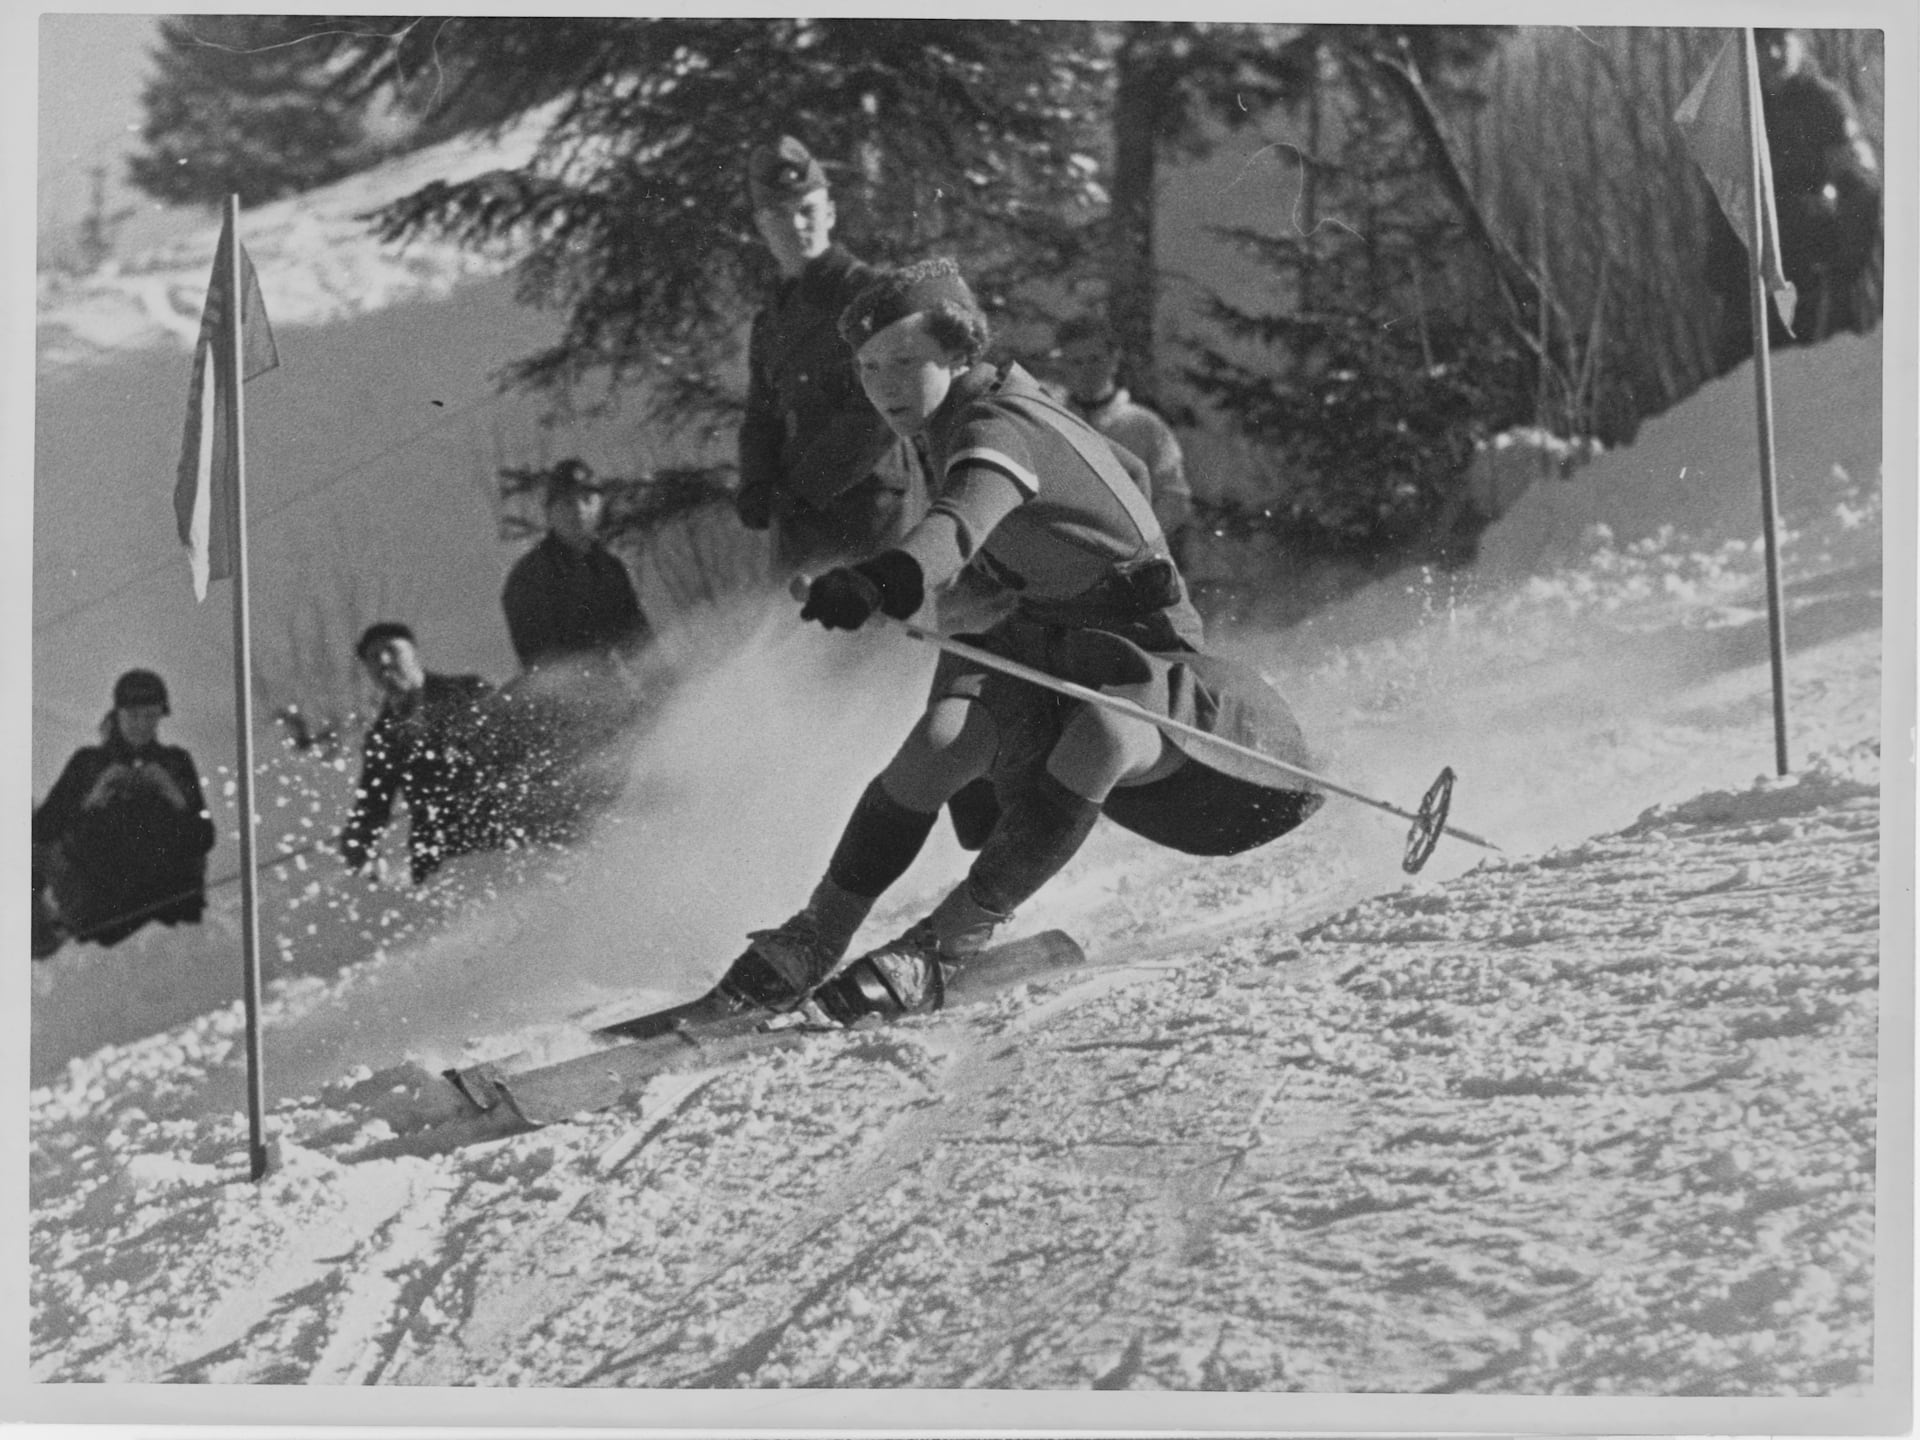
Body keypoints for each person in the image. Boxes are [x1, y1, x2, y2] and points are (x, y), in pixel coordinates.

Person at [691, 258, 1323, 1026]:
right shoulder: (943, 422)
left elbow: (957, 523)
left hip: (1138, 660)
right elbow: (990, 564)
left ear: (959, 354)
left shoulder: (998, 425)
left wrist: (884, 580)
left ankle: (941, 948)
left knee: (1101, 729)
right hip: (1043, 643)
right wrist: (918, 600)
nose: (882, 385)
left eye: (903, 362)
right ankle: (813, 937)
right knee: (941, 738)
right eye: (866, 367)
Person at [735, 135, 927, 577]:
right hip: (797, 519)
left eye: (807, 210)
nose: (797, 226)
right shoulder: (771, 319)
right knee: (796, 642)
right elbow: (760, 413)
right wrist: (756, 481)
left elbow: (882, 409)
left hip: (866, 514)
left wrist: (805, 487)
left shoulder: (871, 296)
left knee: (864, 640)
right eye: (780, 215)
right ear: (762, 227)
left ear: (831, 214)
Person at [1708, 28, 1881, 366]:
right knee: (1743, 381)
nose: (1772, 53)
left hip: (1812, 271)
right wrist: (1722, 266)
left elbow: (1860, 186)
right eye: (1762, 43)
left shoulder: (1823, 104)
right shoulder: (1737, 113)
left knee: (1810, 376)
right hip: (1751, 276)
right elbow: (1721, 201)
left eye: (1780, 41)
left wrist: (1846, 265)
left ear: (1797, 43)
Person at [32, 669, 216, 955]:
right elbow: (42, 829)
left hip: (162, 902)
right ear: (117, 715)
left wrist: (174, 796)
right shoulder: (89, 764)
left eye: (150, 716)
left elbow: (203, 836)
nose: (142, 725)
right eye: (133, 716)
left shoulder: (174, 763)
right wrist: (93, 800)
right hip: (98, 904)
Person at [338, 623, 515, 885]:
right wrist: (359, 840)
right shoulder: (382, 735)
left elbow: (514, 741)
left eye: (391, 650)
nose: (384, 661)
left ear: (413, 653)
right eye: (373, 657)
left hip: (503, 838)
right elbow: (373, 802)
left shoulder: (468, 692)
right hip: (440, 859)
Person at [1051, 314, 1197, 569]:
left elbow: (1175, 497)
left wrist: (1139, 545)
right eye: (1076, 362)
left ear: (1114, 360)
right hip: (1064, 563)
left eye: (1095, 359)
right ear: (1063, 364)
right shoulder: (1049, 421)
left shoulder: (1144, 426)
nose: (1086, 370)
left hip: (1130, 563)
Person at [500, 458, 650, 676]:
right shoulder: (529, 577)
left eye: (587, 499)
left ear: (600, 505)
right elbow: (542, 665)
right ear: (550, 513)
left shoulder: (610, 569)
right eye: (568, 502)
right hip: (563, 698)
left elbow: (640, 645)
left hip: (611, 690)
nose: (579, 509)